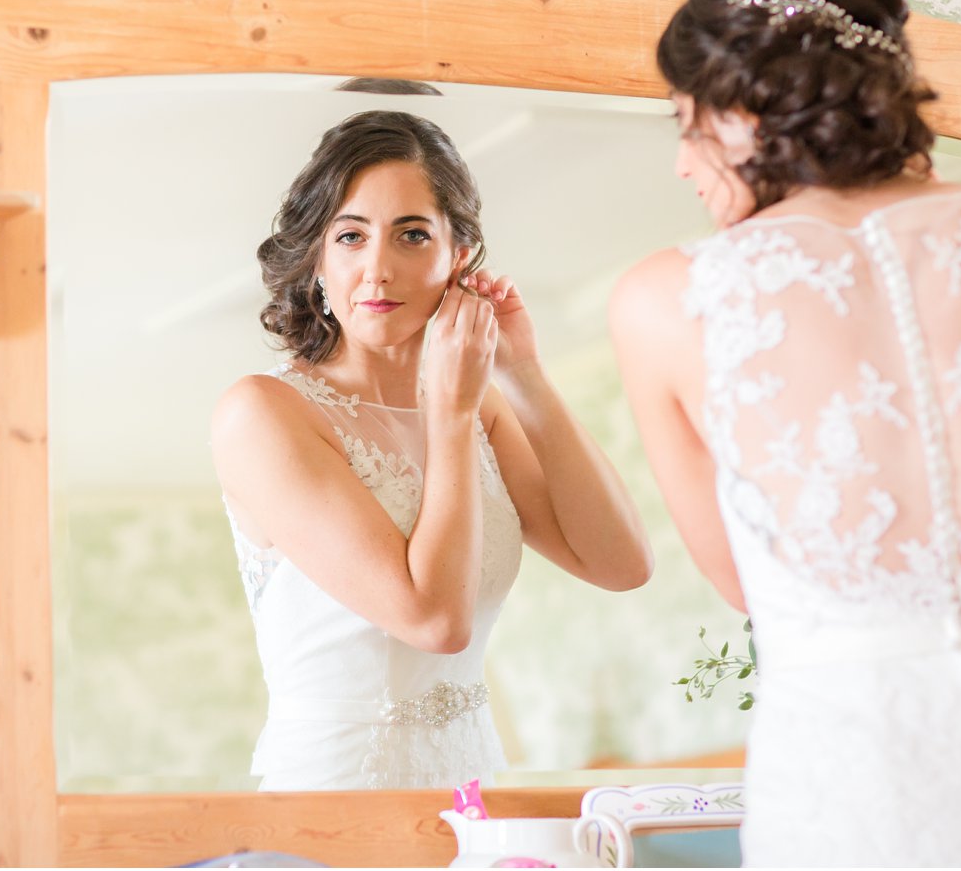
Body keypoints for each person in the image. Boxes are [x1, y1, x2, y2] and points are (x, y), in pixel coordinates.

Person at [609, 0, 961, 866]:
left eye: (685, 122)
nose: (682, 164)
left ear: (745, 110)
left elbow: (744, 581)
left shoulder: (668, 297)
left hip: (858, 773)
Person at [213, 110, 650, 790]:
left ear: (458, 257)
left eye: (412, 235)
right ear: (317, 259)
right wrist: (450, 411)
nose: (377, 269)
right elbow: (434, 621)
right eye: (350, 236)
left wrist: (524, 376)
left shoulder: (486, 406)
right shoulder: (263, 414)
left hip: (473, 787)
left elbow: (621, 564)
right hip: (337, 801)